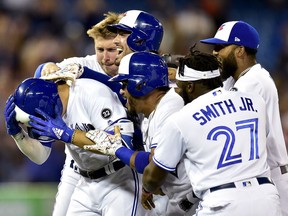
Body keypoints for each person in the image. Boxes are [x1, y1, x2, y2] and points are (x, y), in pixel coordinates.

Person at [4, 12, 124, 216]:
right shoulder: (80, 65)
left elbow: (121, 96)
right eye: (100, 49)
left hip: (119, 170)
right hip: (77, 166)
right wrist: (46, 68)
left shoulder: (137, 69)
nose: (106, 57)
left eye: (113, 49)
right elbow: (47, 71)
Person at [141, 48, 282, 216]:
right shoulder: (255, 102)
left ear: (190, 86)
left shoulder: (181, 119)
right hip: (266, 198)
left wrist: (147, 188)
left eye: (179, 86)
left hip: (223, 202)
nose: (177, 92)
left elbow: (152, 177)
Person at [7, 75, 145, 216]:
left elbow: (122, 142)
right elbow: (41, 156)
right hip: (85, 183)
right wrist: (17, 134)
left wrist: (69, 134)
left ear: (47, 105)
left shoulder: (92, 93)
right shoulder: (50, 105)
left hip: (119, 180)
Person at [84, 51, 199, 215]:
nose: (122, 91)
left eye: (125, 84)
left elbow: (152, 164)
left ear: (140, 84)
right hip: (179, 198)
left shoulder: (171, 105)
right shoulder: (149, 115)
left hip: (197, 200)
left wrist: (115, 149)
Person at [200, 20, 288, 215]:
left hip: (271, 178)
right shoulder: (235, 79)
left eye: (220, 47)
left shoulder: (255, 81)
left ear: (240, 51)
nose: (214, 52)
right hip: (258, 179)